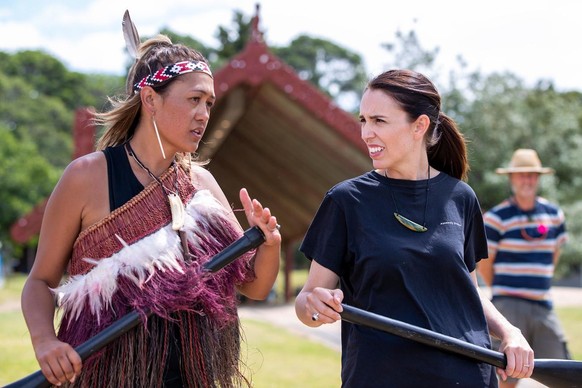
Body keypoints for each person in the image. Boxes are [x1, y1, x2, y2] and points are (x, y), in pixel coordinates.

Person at [20, 12, 281, 388]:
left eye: (209, 103)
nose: (204, 114)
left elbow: (254, 286)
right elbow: (40, 281)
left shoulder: (202, 183)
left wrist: (268, 244)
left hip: (193, 377)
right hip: (106, 377)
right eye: (194, 99)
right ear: (150, 100)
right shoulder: (86, 178)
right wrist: (44, 341)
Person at [294, 69, 534, 387]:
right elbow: (307, 299)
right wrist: (313, 306)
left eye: (379, 121)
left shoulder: (461, 197)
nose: (366, 133)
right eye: (363, 120)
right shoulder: (345, 201)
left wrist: (509, 332)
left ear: (419, 125)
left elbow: (469, 290)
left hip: (467, 376)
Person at [478, 148, 569, 388]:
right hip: (508, 305)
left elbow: (554, 254)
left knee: (563, 371)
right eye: (521, 175)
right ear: (511, 179)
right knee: (508, 374)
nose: (526, 180)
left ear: (538, 178)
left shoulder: (554, 215)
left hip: (542, 305)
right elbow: (485, 263)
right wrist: (505, 288)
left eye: (531, 175)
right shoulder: (497, 218)